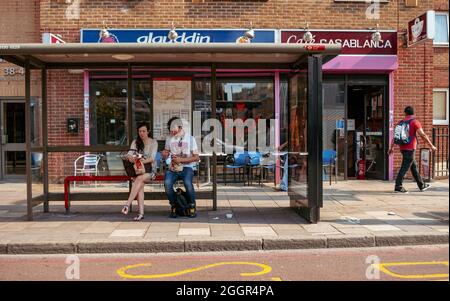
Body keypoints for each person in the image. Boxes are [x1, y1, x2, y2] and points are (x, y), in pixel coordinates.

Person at [388, 106, 437, 193]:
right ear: (413, 113)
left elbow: (395, 136)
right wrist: (431, 145)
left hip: (402, 147)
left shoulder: (400, 122)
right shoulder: (415, 122)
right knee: (405, 167)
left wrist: (391, 147)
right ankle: (398, 186)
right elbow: (422, 135)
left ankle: (421, 185)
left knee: (413, 166)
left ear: (405, 113)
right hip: (410, 148)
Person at [162, 117, 199, 218]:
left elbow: (196, 157)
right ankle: (174, 205)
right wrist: (165, 154)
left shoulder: (190, 138)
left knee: (187, 183)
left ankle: (192, 206)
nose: (172, 131)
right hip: (173, 167)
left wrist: (181, 160)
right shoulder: (169, 138)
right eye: (170, 128)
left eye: (173, 128)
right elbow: (167, 153)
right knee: (167, 183)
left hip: (187, 167)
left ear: (180, 126)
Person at [121, 122, 158, 221]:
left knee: (139, 179)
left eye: (144, 131)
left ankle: (127, 204)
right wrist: (131, 158)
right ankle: (140, 213)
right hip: (138, 170)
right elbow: (129, 154)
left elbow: (152, 158)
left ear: (148, 131)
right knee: (139, 183)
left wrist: (140, 160)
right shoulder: (135, 142)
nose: (141, 133)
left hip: (150, 171)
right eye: (140, 131)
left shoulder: (153, 142)